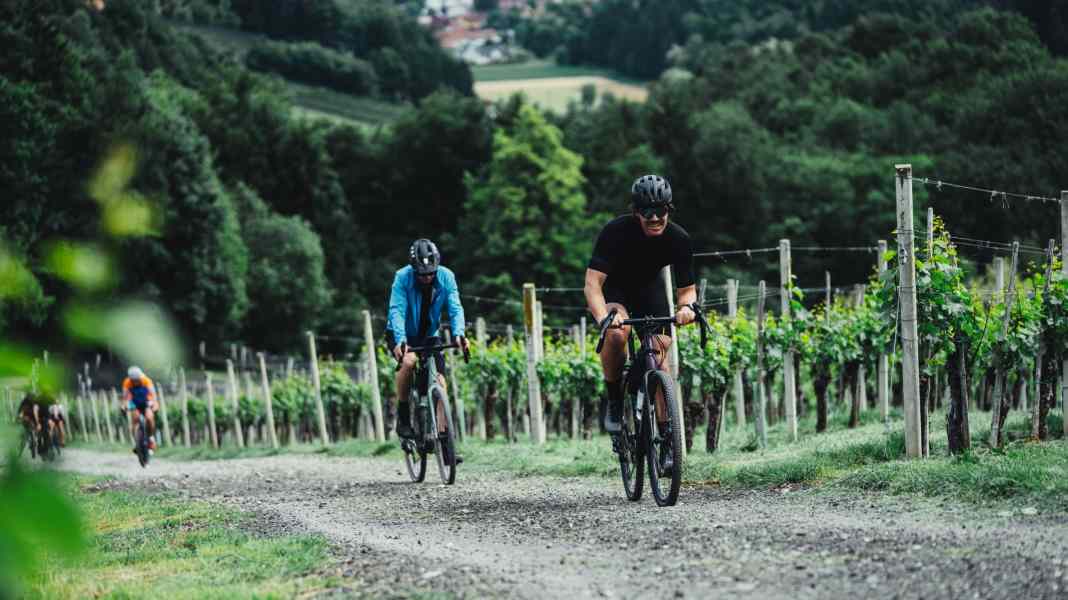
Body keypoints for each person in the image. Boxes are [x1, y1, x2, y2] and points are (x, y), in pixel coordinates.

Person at [584, 174, 697, 434]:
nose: (654, 218)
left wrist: (686, 308)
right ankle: (613, 398)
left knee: (659, 354)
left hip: (649, 289)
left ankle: (668, 436)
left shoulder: (678, 239)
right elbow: (592, 284)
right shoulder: (615, 231)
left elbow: (687, 291)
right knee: (616, 333)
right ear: (636, 212)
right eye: (647, 212)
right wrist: (604, 318)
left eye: (660, 210)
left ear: (668, 209)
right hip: (616, 288)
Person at [387, 238, 468, 439]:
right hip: (402, 334)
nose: (427, 278)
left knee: (441, 381)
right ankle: (404, 415)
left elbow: (455, 307)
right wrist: (400, 340)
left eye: (431, 273)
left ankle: (444, 437)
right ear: (413, 269)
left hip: (429, 334)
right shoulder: (402, 277)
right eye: (422, 274)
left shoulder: (447, 277)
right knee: (409, 361)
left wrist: (459, 333)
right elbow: (396, 310)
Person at [122, 366, 158, 453]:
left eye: (137, 379)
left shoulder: (146, 380)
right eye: (134, 380)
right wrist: (124, 406)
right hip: (135, 402)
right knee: (135, 419)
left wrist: (155, 404)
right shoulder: (127, 382)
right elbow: (125, 397)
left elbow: (153, 395)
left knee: (149, 418)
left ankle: (151, 438)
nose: (136, 382)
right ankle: (137, 442)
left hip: (147, 401)